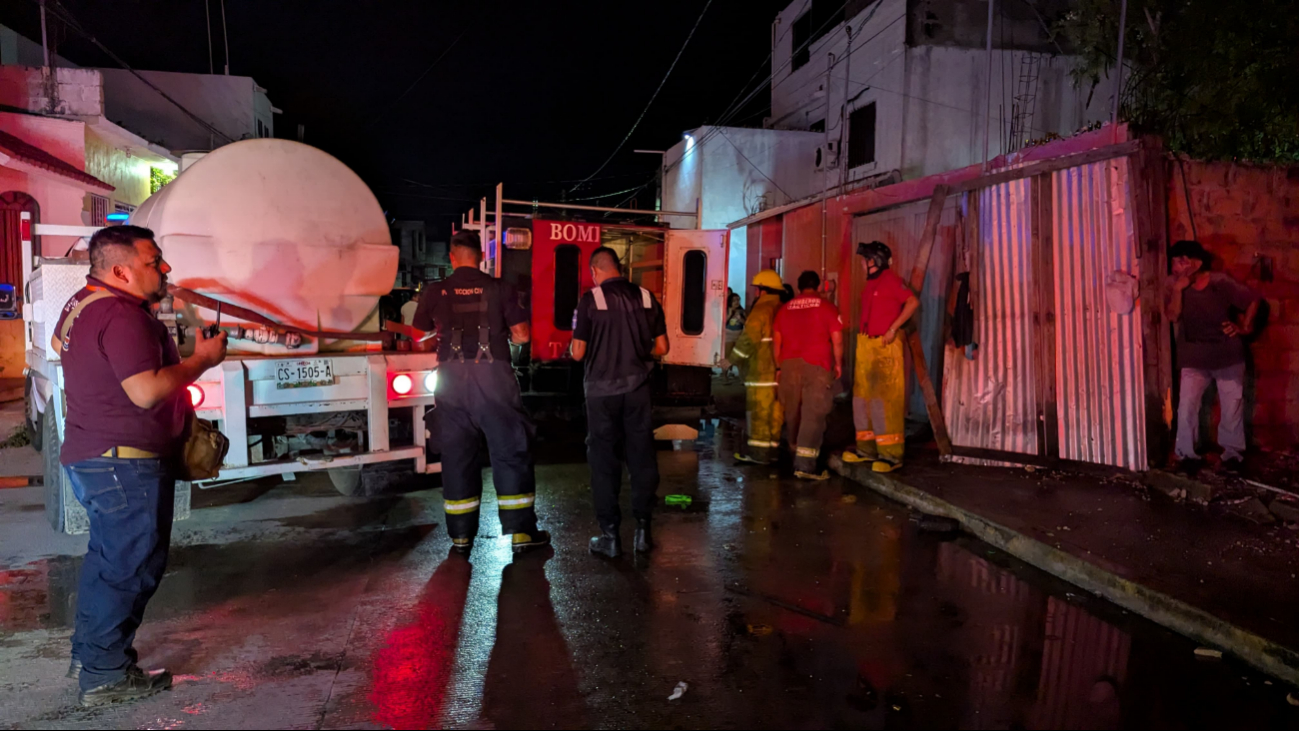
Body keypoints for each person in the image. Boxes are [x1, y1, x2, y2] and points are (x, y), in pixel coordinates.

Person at [52, 225, 228, 707]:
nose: (165, 268)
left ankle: (90, 655)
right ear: (121, 270)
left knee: (108, 563)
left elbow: (58, 344)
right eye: (154, 261)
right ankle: (106, 674)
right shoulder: (121, 315)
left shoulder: (83, 304)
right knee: (130, 568)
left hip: (95, 457)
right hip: (123, 464)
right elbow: (145, 390)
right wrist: (201, 361)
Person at [412, 230, 549, 555]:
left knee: (457, 456)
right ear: (481, 257)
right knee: (510, 452)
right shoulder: (500, 288)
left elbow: (419, 335)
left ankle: (461, 539)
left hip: (452, 382)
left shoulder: (436, 291)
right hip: (494, 380)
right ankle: (521, 536)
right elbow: (523, 335)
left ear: (452, 257)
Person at [570, 247, 669, 557]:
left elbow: (578, 352)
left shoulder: (591, 300)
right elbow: (663, 347)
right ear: (618, 268)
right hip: (638, 390)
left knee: (604, 461)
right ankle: (643, 531)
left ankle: (610, 536)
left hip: (601, 394)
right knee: (641, 455)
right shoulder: (646, 296)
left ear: (594, 271)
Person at [1165, 239, 1261, 473]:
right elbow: (1172, 315)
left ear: (1193, 262)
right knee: (1187, 404)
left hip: (1227, 354)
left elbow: (1253, 300)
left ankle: (1232, 456)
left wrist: (1244, 327)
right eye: (1175, 264)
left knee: (1232, 405)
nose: (1176, 268)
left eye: (1179, 263)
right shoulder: (1174, 285)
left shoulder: (1220, 282)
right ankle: (1186, 453)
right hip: (1194, 356)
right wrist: (1178, 289)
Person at [842, 241, 918, 473]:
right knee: (862, 400)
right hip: (866, 345)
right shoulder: (870, 284)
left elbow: (913, 302)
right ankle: (866, 449)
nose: (863, 265)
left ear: (874, 261)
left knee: (885, 402)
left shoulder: (893, 281)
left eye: (865, 260)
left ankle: (891, 455)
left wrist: (893, 329)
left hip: (884, 346)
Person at [773, 271, 844, 480]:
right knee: (813, 414)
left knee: (793, 411)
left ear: (798, 287)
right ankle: (805, 466)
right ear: (818, 286)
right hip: (817, 366)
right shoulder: (827, 308)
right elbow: (837, 339)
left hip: (788, 366)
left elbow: (777, 343)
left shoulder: (784, 310)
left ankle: (793, 452)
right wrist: (838, 364)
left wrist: (779, 368)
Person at [728, 269, 786, 465]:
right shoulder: (782, 309)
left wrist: (731, 360)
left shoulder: (760, 311)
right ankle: (774, 452)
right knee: (775, 413)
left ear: (762, 290)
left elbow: (748, 341)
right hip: (780, 372)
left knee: (759, 413)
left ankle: (759, 455)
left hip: (761, 373)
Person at [723, 291, 745, 381]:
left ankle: (741, 377)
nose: (737, 302)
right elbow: (723, 323)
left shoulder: (742, 311)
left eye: (738, 300)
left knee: (740, 359)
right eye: (734, 300)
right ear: (730, 302)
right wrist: (730, 314)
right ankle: (725, 377)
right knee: (727, 357)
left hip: (739, 336)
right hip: (728, 337)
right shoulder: (726, 310)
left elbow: (747, 323)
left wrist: (740, 318)